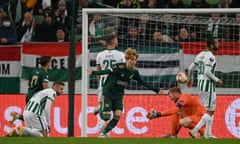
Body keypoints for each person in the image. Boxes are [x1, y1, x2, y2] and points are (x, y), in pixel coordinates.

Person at [88, 48, 163, 137]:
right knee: (106, 117)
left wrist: (156, 90)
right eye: (131, 59)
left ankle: (103, 133)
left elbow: (143, 82)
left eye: (135, 60)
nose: (133, 62)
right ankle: (100, 107)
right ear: (127, 59)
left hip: (119, 95)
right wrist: (94, 73)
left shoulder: (134, 72)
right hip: (108, 92)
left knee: (117, 115)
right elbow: (107, 71)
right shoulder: (119, 67)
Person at [187, 37, 223, 138]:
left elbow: (190, 68)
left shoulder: (200, 54)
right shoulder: (211, 56)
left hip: (200, 85)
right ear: (211, 45)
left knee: (210, 110)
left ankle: (208, 134)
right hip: (208, 86)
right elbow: (207, 72)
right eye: (216, 42)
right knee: (210, 111)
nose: (218, 44)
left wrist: (190, 79)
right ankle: (195, 130)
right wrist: (217, 80)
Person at [93, 34, 125, 130]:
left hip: (103, 83)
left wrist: (99, 83)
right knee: (112, 107)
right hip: (116, 84)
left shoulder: (100, 55)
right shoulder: (120, 55)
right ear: (114, 42)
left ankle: (102, 123)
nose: (118, 41)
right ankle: (105, 129)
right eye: (117, 40)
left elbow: (98, 71)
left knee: (103, 104)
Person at [9, 56, 52, 123]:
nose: (50, 64)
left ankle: (17, 117)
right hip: (36, 98)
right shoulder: (44, 73)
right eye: (50, 62)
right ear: (47, 63)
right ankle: (23, 129)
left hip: (29, 95)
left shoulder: (34, 71)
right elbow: (45, 88)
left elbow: (29, 84)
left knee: (31, 117)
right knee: (37, 118)